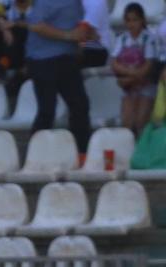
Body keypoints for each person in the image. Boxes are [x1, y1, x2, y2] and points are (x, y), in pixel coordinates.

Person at [25, 0, 94, 158]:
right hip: (43, 59)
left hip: (66, 58)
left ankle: (81, 153)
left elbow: (78, 26)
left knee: (80, 105)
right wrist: (69, 36)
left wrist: (82, 40)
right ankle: (34, 155)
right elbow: (37, 25)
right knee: (47, 110)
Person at [111, 2, 159, 135]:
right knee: (127, 122)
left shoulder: (148, 39)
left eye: (135, 20)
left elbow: (147, 67)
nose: (131, 24)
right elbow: (114, 63)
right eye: (128, 20)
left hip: (145, 86)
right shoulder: (122, 39)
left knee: (140, 123)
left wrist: (127, 78)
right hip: (128, 88)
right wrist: (130, 74)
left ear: (142, 20)